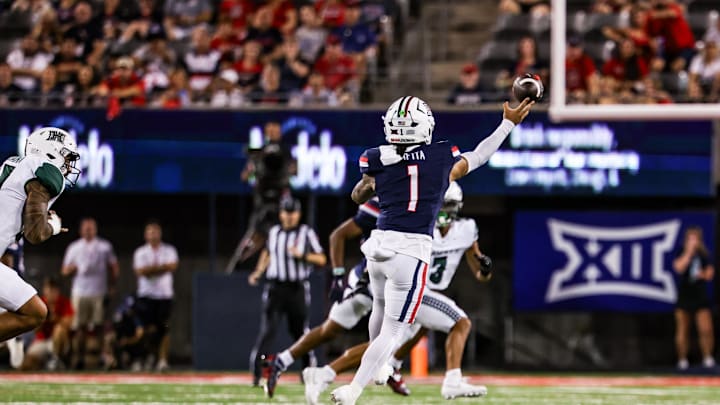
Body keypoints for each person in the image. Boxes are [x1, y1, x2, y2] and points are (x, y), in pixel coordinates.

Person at [329, 95, 533, 404]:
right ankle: (353, 389)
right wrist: (507, 124)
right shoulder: (441, 157)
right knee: (396, 329)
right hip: (410, 250)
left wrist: (374, 182)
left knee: (381, 309)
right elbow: (479, 155)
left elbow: (358, 195)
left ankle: (381, 365)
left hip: (379, 246)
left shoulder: (376, 157)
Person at [304, 182, 494, 403]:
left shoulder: (466, 229)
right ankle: (452, 380)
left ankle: (322, 374)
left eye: (449, 205)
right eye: (441, 205)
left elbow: (480, 272)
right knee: (461, 322)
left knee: (385, 344)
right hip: (410, 287)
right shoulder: (419, 226)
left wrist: (486, 269)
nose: (444, 210)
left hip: (424, 291)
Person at [262, 197, 380, 398]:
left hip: (383, 280)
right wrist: (337, 275)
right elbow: (338, 235)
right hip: (374, 281)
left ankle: (282, 361)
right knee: (386, 339)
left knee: (333, 331)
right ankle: (323, 374)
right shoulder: (384, 203)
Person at [0, 127, 80, 348]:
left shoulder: (13, 165)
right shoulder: (44, 169)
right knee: (34, 313)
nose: (68, 166)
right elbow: (34, 232)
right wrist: (52, 226)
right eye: (66, 157)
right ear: (51, 152)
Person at [247, 197, 327, 387]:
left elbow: (322, 259)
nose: (289, 217)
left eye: (293, 213)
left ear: (298, 214)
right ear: (281, 214)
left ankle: (307, 372)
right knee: (268, 331)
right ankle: (258, 374)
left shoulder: (306, 233)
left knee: (300, 333)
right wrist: (259, 271)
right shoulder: (274, 232)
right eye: (286, 212)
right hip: (275, 288)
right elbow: (267, 252)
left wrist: (303, 256)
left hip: (296, 288)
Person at [225, 121, 296, 271]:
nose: (273, 133)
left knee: (284, 235)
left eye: (276, 130)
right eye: (270, 131)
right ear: (266, 133)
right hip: (262, 201)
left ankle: (286, 267)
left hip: (281, 203)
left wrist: (287, 172)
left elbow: (294, 170)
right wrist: (254, 171)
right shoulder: (259, 153)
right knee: (256, 234)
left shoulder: (286, 152)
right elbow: (245, 176)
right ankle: (237, 264)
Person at [61, 217, 119, 370]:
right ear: (81, 230)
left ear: (95, 229)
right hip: (80, 291)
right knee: (79, 327)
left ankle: (101, 357)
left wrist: (112, 286)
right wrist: (72, 269)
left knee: (99, 326)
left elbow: (113, 266)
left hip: (98, 290)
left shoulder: (104, 246)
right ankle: (78, 357)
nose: (88, 230)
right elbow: (65, 270)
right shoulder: (74, 247)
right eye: (85, 228)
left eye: (91, 228)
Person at [133, 220, 179, 371]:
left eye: (156, 232)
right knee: (143, 330)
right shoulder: (140, 252)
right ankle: (142, 358)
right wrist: (161, 268)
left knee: (164, 329)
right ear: (145, 235)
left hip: (164, 296)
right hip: (146, 296)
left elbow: (172, 266)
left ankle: (162, 361)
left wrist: (151, 269)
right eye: (150, 232)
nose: (153, 235)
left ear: (160, 234)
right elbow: (140, 272)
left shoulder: (169, 250)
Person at [672, 226, 715, 370]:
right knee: (683, 329)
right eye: (690, 239)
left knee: (706, 329)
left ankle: (707, 357)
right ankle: (682, 359)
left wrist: (701, 274)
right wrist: (689, 254)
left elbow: (709, 274)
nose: (693, 241)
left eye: (695, 238)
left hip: (700, 296)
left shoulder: (704, 255)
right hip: (684, 296)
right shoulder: (681, 252)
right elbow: (679, 268)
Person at [21, 277, 74, 371]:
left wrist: (55, 318)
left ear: (57, 291)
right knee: (27, 364)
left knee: (59, 329)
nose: (50, 292)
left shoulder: (64, 302)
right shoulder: (40, 303)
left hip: (58, 342)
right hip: (42, 340)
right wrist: (43, 320)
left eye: (53, 289)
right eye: (48, 289)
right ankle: (43, 363)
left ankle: (56, 359)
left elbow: (68, 324)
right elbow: (35, 330)